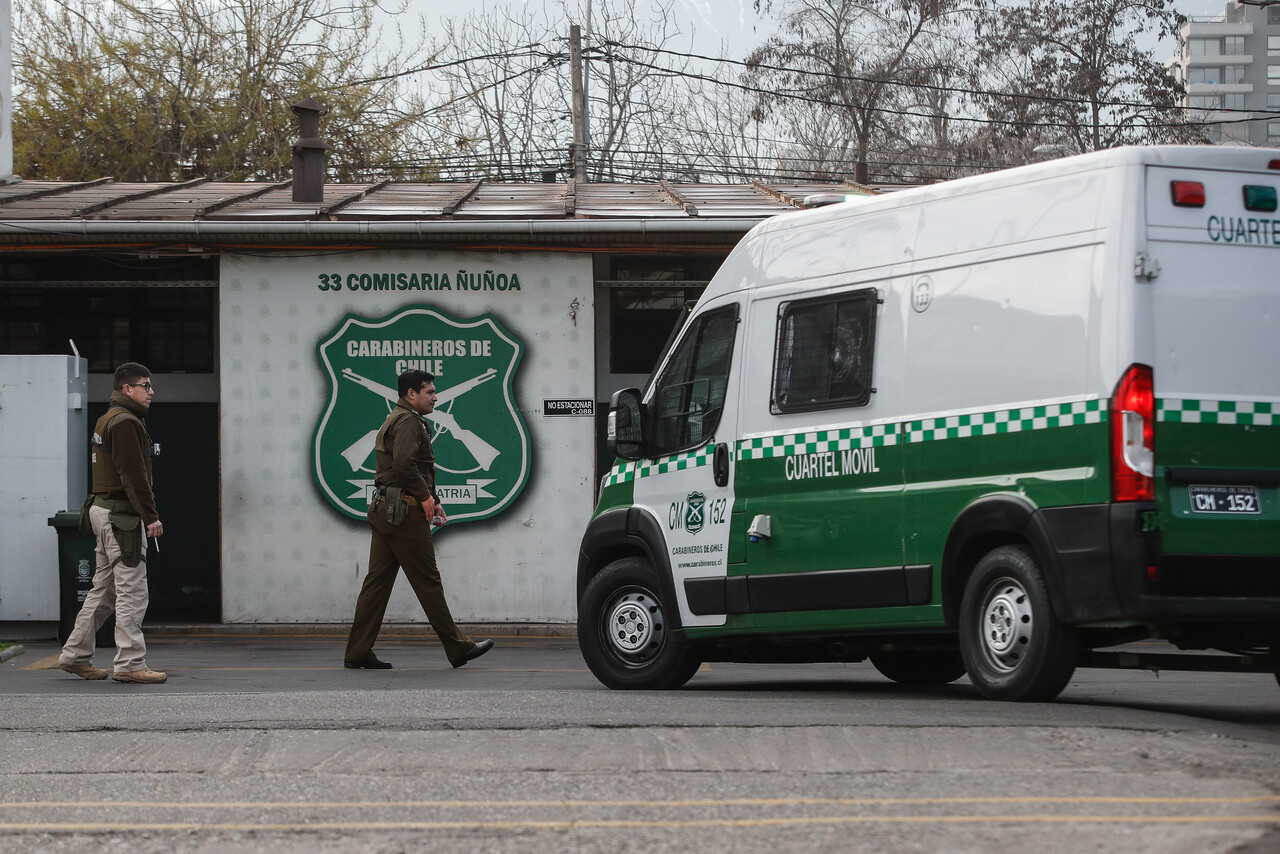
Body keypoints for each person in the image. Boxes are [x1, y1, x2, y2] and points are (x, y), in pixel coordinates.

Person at [344, 369, 494, 670]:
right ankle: (458, 647)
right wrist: (425, 499)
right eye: (430, 391)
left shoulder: (400, 419)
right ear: (411, 394)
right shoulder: (408, 421)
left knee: (376, 584)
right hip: (403, 513)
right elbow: (404, 465)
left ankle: (358, 652)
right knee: (428, 581)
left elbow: (412, 468)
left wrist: (432, 500)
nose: (436, 397)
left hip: (388, 510)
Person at [58, 362, 167, 684]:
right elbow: (133, 476)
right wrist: (152, 517)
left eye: (150, 386)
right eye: (144, 386)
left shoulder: (109, 418)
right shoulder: (124, 422)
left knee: (103, 591)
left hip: (103, 512)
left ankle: (75, 655)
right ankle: (131, 664)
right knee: (132, 592)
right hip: (122, 519)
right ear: (126, 389)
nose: (151, 392)